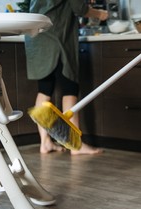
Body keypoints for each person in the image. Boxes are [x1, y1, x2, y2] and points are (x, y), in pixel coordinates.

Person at [24, 0, 108, 155]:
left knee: (44, 89)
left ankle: (45, 143)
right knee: (70, 87)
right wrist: (100, 14)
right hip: (56, 38)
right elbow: (80, 8)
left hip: (38, 37)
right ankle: (75, 146)